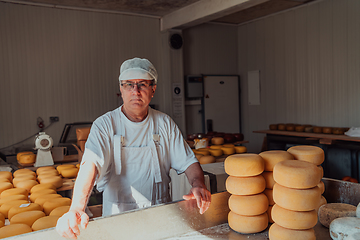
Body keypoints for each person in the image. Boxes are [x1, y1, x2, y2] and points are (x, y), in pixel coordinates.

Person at [56, 57, 211, 239]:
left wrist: (198, 184)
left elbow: (189, 162)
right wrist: (76, 208)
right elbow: (90, 164)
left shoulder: (164, 123)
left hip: (160, 219)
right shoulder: (105, 125)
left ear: (153, 89)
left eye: (142, 84)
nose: (135, 91)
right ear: (121, 89)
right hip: (117, 222)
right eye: (129, 85)